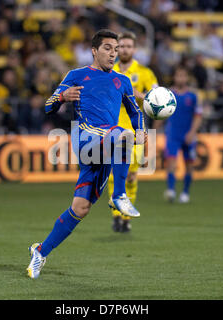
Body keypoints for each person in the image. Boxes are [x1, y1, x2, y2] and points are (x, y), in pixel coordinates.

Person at [26, 29, 146, 279]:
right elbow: (48, 106)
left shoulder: (123, 81)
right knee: (122, 135)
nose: (113, 53)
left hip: (106, 147)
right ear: (94, 51)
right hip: (85, 138)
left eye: (115, 49)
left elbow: (136, 113)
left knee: (80, 208)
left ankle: (40, 251)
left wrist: (142, 131)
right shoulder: (77, 75)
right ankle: (119, 195)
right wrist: (62, 96)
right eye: (107, 48)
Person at [107, 31, 158, 233]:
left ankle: (127, 216)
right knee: (112, 174)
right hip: (111, 129)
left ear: (134, 49)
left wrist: (139, 95)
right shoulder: (109, 71)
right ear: (117, 49)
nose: (126, 49)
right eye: (122, 46)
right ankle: (116, 217)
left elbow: (157, 99)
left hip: (135, 130)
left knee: (131, 176)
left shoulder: (145, 73)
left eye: (129, 46)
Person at [163, 66, 202, 203]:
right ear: (174, 77)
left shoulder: (193, 95)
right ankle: (171, 190)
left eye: (183, 76)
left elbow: (198, 116)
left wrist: (192, 132)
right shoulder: (167, 94)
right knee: (171, 163)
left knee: (189, 165)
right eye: (178, 75)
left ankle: (185, 192)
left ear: (187, 78)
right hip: (173, 135)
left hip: (188, 135)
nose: (181, 78)